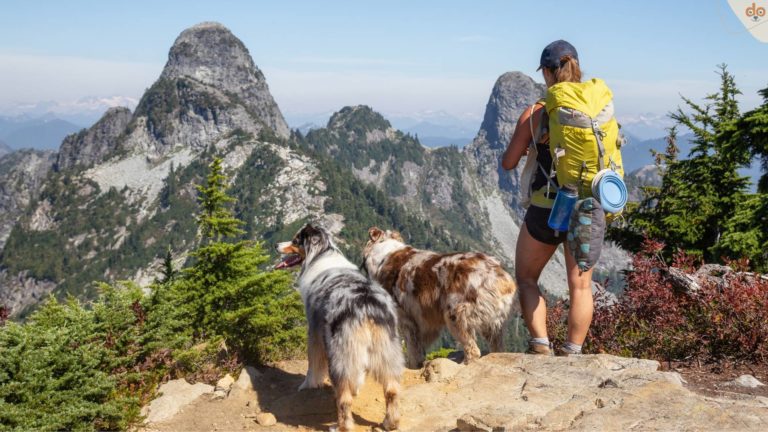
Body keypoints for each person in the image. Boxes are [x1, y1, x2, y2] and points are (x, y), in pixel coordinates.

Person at [501, 40, 594, 356]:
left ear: (547, 72)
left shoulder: (536, 113)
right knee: (580, 286)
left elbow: (508, 162)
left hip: (546, 207)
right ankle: (572, 351)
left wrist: (532, 145)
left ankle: (540, 344)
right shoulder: (596, 109)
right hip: (585, 207)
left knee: (526, 278)